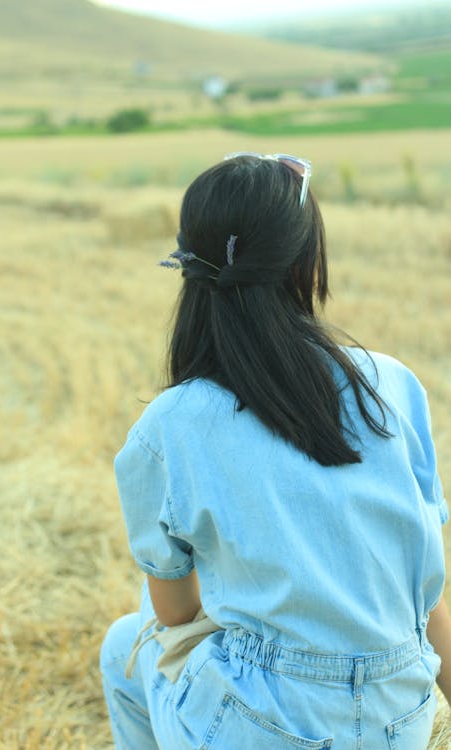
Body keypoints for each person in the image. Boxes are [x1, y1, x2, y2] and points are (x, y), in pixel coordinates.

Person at [100, 152, 450, 749]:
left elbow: (176, 616)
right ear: (305, 263)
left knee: (122, 645)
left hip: (257, 725)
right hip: (401, 716)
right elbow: (432, 591)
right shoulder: (390, 385)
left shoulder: (172, 424)